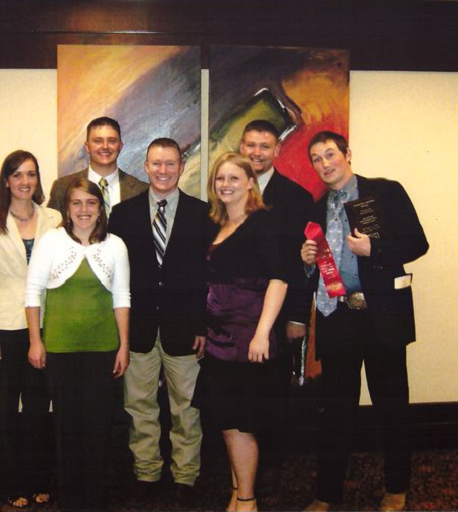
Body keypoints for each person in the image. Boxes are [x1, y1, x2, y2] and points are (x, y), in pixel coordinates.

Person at [300, 131, 429, 512]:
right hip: (337, 317)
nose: (325, 164)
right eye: (317, 159)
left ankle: (396, 487)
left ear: (347, 154)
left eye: (330, 154)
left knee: (391, 405)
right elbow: (316, 272)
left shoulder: (385, 193)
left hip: (382, 316)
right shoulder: (315, 209)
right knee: (335, 411)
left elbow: (418, 244)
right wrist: (306, 262)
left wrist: (375, 249)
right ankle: (327, 494)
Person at [107, 138, 214, 508]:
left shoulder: (204, 214)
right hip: (137, 328)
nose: (163, 170)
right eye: (156, 164)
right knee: (139, 406)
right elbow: (116, 275)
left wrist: (203, 324)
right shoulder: (123, 214)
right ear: (146, 166)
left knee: (187, 407)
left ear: (181, 166)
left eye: (170, 164)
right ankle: (147, 473)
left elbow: (208, 275)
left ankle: (185, 476)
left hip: (185, 328)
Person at [25, 177, 130, 511]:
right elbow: (32, 293)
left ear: (101, 209)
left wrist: (123, 345)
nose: (84, 210)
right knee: (67, 429)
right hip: (60, 348)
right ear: (66, 210)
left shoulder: (116, 245)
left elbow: (122, 297)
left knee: (98, 427)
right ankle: (71, 501)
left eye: (91, 203)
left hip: (103, 350)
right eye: (77, 203)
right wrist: (35, 341)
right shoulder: (50, 242)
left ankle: (96, 500)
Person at [195, 152, 288, 512]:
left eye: (235, 178)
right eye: (220, 179)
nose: (226, 185)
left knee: (241, 423)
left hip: (248, 339)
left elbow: (279, 279)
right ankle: (237, 493)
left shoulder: (263, 222)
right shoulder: (219, 225)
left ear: (251, 182)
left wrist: (263, 332)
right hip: (220, 339)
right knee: (227, 420)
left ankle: (247, 502)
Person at [0, 150, 61, 509]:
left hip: (45, 328)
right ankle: (10, 484)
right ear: (6, 180)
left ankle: (40, 478)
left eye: (32, 175)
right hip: (5, 330)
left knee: (40, 408)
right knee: (5, 411)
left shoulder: (53, 218)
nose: (26, 182)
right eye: (18, 175)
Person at [238, 120, 314, 458]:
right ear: (241, 147)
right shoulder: (226, 189)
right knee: (237, 388)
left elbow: (305, 263)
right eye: (251, 145)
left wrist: (298, 316)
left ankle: (268, 463)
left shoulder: (297, 198)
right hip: (234, 315)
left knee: (271, 388)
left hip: (279, 311)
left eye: (264, 146)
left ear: (277, 150)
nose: (256, 152)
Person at [48, 116, 148, 216]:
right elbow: (53, 228)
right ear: (87, 147)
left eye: (112, 141)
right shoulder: (62, 188)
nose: (105, 146)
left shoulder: (141, 191)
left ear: (120, 146)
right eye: (98, 141)